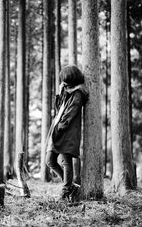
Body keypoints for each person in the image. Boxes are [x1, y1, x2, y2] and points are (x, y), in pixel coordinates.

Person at [46, 64, 88, 201]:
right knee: (50, 161)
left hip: (67, 132)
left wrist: (60, 128)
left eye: (65, 80)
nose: (63, 82)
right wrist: (59, 93)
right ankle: (69, 186)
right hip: (58, 130)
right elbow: (59, 109)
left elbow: (69, 114)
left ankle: (65, 190)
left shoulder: (78, 93)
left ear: (71, 79)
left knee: (66, 161)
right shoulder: (68, 90)